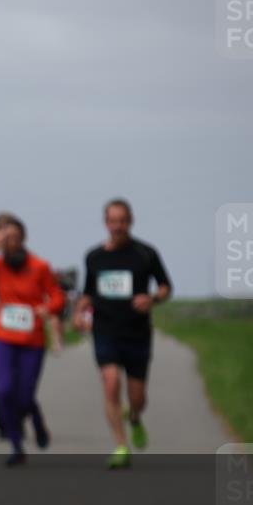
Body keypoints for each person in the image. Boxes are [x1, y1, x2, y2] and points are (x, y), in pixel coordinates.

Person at [73, 198, 171, 469]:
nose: (118, 226)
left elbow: (165, 286)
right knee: (111, 382)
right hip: (105, 330)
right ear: (106, 223)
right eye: (113, 221)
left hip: (137, 333)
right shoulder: (94, 256)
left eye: (123, 221)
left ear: (131, 221)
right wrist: (79, 313)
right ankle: (120, 445)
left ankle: (136, 417)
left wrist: (152, 299)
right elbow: (88, 293)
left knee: (137, 398)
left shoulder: (145, 254)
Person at [0, 217, 65, 466]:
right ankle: (16, 445)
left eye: (15, 238)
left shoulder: (39, 266)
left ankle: (36, 419)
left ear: (23, 239)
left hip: (32, 340)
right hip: (3, 338)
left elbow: (58, 298)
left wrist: (45, 308)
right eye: (5, 239)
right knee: (4, 390)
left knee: (24, 396)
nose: (10, 243)